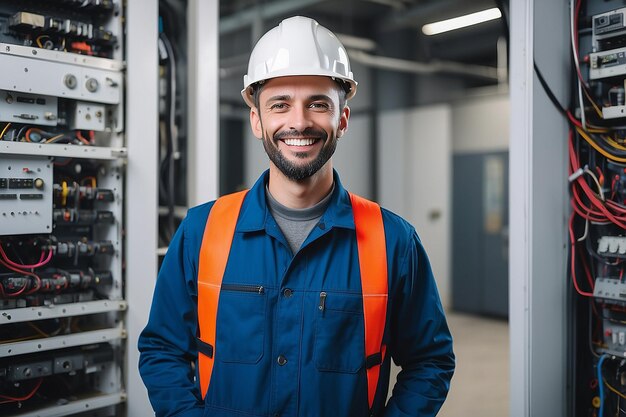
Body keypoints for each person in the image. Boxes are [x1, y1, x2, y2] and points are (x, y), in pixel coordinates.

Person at [138, 15, 454, 417]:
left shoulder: (393, 241)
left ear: (342, 119)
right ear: (257, 120)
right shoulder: (202, 232)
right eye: (280, 104)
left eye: (318, 104)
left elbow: (430, 360)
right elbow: (162, 349)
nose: (299, 121)